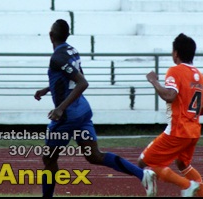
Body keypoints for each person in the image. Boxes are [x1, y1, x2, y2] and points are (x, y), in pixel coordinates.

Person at [33, 19, 156, 197]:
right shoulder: (72, 50)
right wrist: (47, 89)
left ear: (51, 35)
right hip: (82, 111)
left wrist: (60, 108)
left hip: (68, 116)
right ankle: (142, 175)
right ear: (67, 35)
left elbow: (82, 82)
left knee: (49, 158)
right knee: (94, 156)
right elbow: (72, 79)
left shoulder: (57, 57)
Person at [138, 33, 203, 197]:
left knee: (144, 162)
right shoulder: (202, 78)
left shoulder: (175, 71)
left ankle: (186, 185)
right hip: (193, 131)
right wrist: (190, 113)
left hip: (178, 130)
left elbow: (170, 96)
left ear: (176, 53)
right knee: (183, 165)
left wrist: (153, 81)